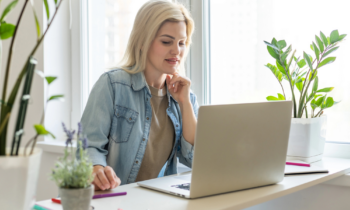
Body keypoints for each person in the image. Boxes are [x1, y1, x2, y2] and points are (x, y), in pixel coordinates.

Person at [81, 0, 198, 191]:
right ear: (143, 41)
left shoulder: (185, 95)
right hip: (115, 199)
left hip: (158, 201)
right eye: (166, 41)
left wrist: (185, 104)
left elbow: (194, 158)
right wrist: (97, 168)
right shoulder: (113, 85)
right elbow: (88, 146)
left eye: (182, 43)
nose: (176, 51)